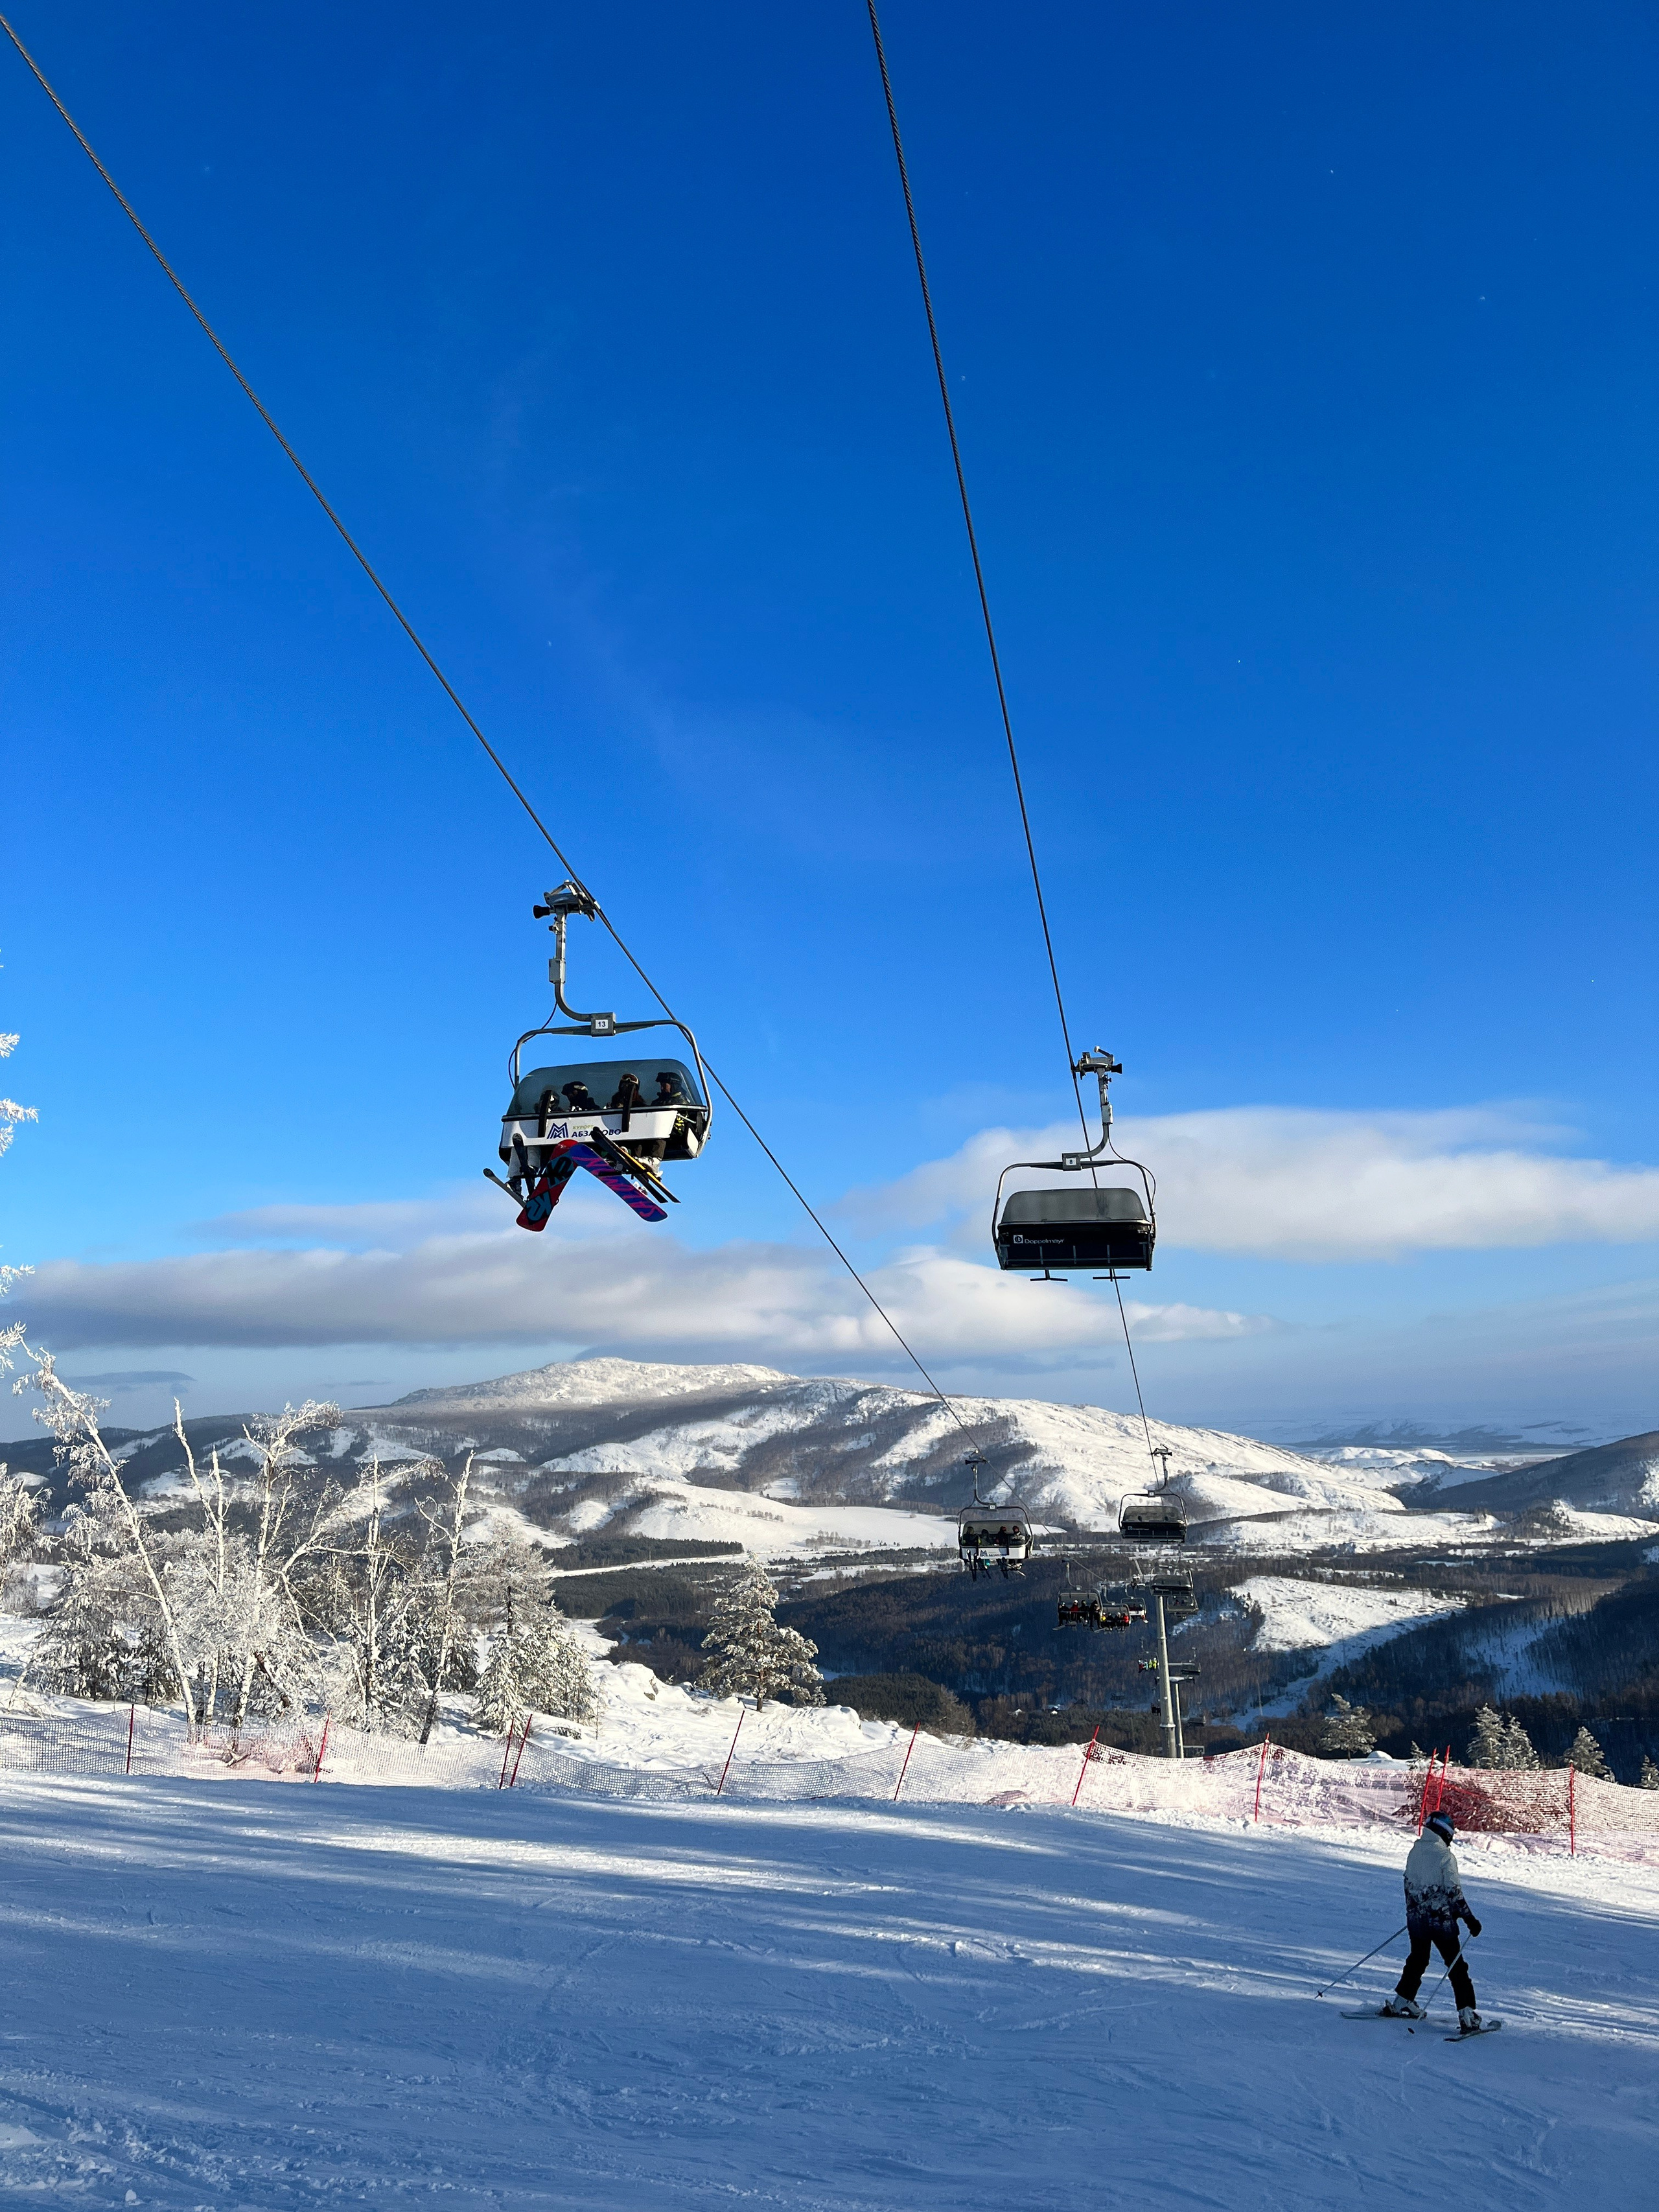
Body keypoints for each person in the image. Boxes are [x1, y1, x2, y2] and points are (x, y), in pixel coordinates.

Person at [1384, 1810, 1485, 2031]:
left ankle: (1403, 2000)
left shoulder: (1415, 1851)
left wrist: (1416, 1911)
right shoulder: (1445, 1857)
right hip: (1441, 1924)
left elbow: (1409, 1885)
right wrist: (1470, 1920)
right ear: (1445, 1833)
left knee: (1418, 1960)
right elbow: (1454, 1895)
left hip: (1417, 1921)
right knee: (1456, 1966)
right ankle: (1467, 2014)